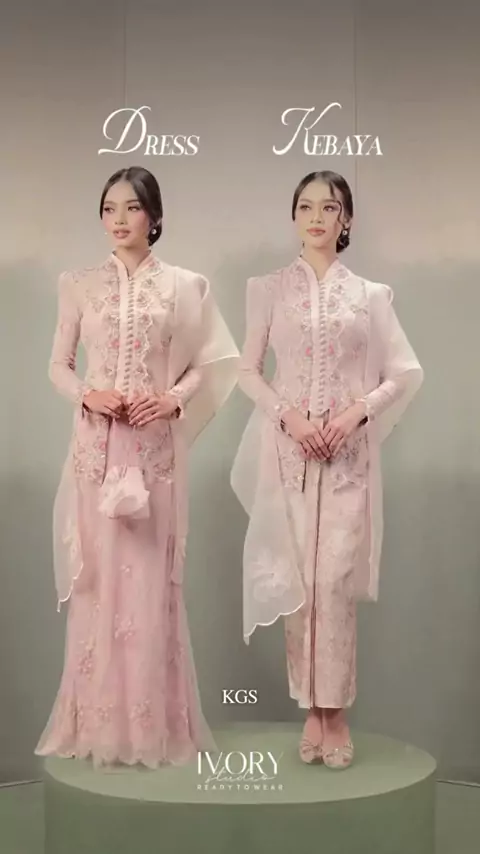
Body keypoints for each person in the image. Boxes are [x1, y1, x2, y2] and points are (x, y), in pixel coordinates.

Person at [36, 166, 239, 768]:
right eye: (109, 208)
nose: (118, 219)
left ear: (154, 216)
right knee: (97, 585)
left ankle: (153, 730)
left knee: (150, 587)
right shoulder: (77, 284)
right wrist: (87, 394)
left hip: (153, 456)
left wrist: (173, 399)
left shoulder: (184, 286)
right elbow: (57, 365)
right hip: (96, 451)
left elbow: (211, 363)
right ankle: (98, 728)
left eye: (131, 207)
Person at [231, 170, 423, 769]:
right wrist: (288, 417)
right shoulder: (267, 290)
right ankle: (309, 711)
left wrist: (354, 415)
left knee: (333, 584)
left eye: (330, 207)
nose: (317, 217)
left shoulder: (370, 295)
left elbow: (404, 373)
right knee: (300, 586)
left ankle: (334, 713)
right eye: (306, 207)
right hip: (288, 458)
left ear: (347, 220)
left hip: (345, 461)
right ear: (295, 216)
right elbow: (246, 371)